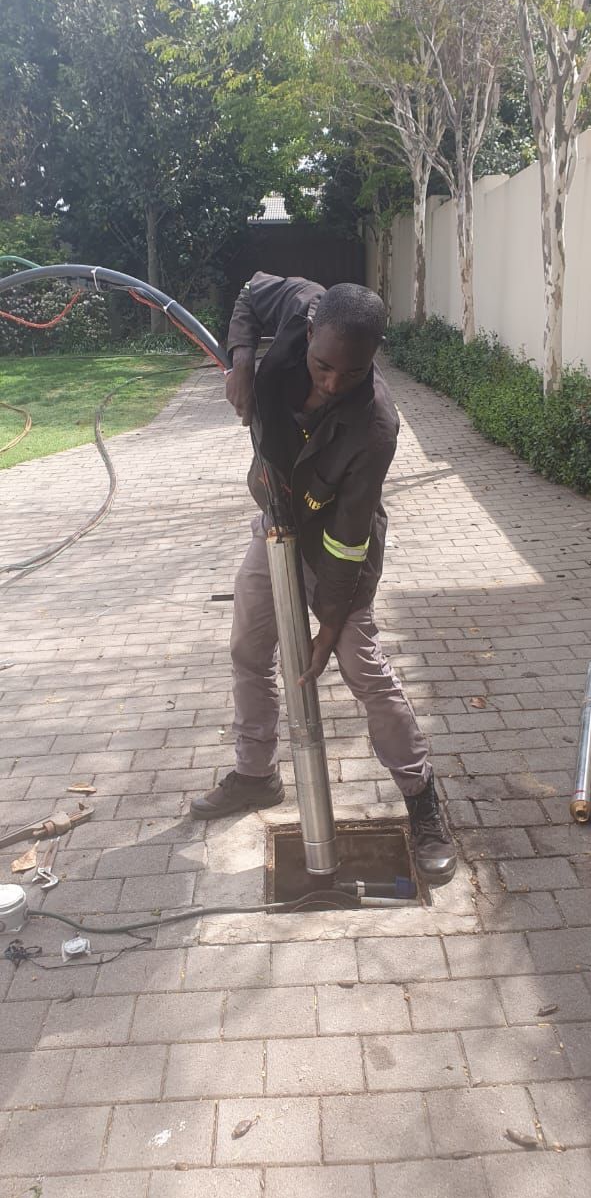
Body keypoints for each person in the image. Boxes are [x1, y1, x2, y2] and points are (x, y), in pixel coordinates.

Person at [190, 272, 457, 886]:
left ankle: (422, 801)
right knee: (249, 649)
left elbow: (349, 537)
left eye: (352, 373)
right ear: (309, 331)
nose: (333, 382)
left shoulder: (375, 427)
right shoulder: (298, 304)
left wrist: (328, 621)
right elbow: (247, 292)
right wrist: (239, 360)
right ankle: (256, 775)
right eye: (322, 366)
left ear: (372, 362)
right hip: (277, 518)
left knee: (362, 670)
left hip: (336, 542)